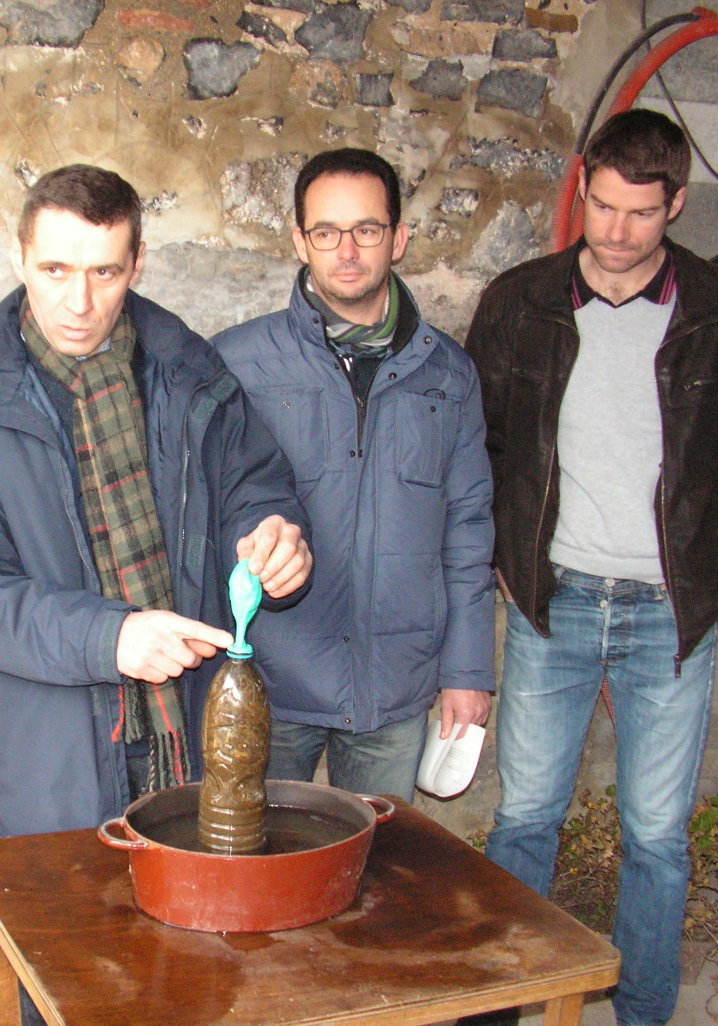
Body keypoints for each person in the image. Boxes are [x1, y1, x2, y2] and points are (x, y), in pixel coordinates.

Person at [464, 108, 718, 1026]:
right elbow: (476, 443)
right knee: (526, 818)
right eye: (601, 206)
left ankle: (643, 1012)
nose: (613, 232)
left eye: (639, 214)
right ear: (582, 187)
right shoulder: (521, 302)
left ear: (677, 205)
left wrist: (715, 581)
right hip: (555, 602)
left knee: (656, 836)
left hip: (669, 613)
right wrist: (505, 556)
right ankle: (498, 1003)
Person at [0, 164, 313, 843]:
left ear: (138, 264)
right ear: (19, 259)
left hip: (188, 732)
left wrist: (272, 536)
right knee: (64, 947)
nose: (79, 302)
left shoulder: (193, 373)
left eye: (105, 273)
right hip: (47, 756)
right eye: (56, 270)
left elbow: (254, 483)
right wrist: (111, 638)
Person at [211, 148, 495, 801]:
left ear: (398, 238)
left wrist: (468, 668)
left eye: (367, 230)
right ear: (298, 241)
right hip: (269, 680)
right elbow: (204, 516)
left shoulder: (448, 375)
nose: (347, 250)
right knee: (256, 879)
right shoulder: (238, 363)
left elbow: (469, 531)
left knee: (375, 882)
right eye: (326, 232)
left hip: (393, 688)